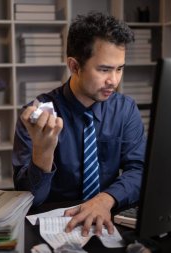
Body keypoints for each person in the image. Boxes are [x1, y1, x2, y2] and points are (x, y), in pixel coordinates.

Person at [12, 12, 146, 236]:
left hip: (106, 219)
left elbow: (140, 170)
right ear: (74, 66)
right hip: (56, 226)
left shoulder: (125, 109)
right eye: (104, 69)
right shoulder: (39, 117)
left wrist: (105, 199)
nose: (113, 80)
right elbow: (28, 199)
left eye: (119, 68)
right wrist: (42, 153)